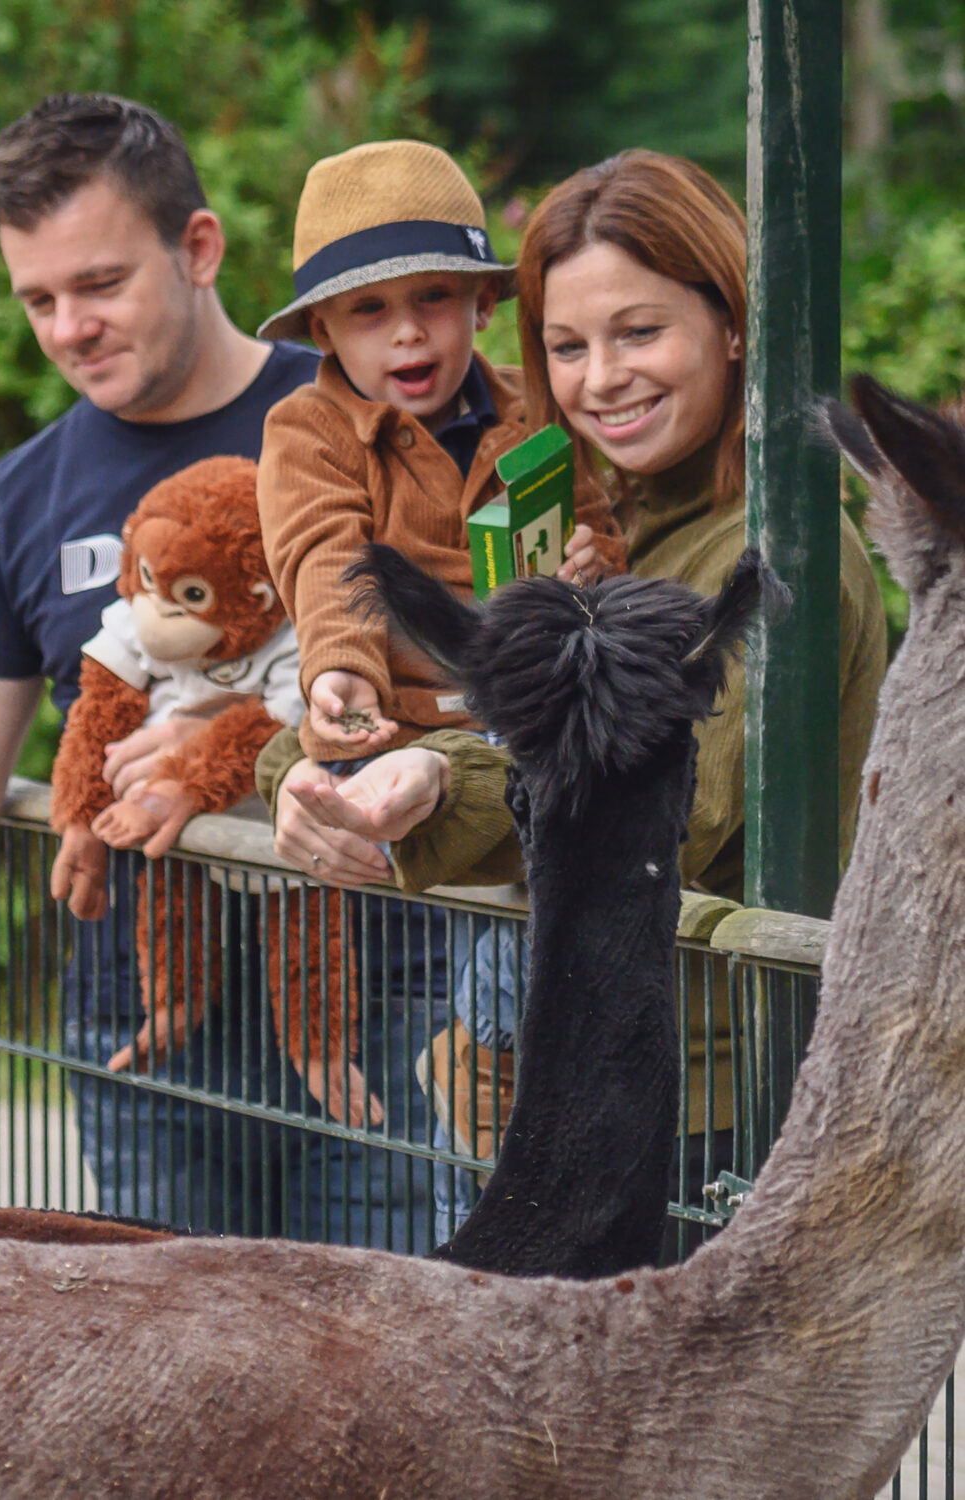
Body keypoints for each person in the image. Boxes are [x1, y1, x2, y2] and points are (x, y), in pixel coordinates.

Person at [259, 149, 888, 1245]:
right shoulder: (599, 531)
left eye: (639, 332)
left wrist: (423, 778)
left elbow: (660, 808)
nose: (600, 378)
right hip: (571, 1077)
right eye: (565, 346)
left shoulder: (772, 555)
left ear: (732, 325)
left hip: (705, 1113)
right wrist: (307, 764)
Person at [0, 92, 326, 1236]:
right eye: (40, 300)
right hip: (138, 996)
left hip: (369, 975)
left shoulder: (346, 416)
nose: (70, 327)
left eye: (101, 284)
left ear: (199, 249)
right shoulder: (14, 501)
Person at [254, 137, 625, 773]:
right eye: (369, 309)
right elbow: (324, 554)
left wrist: (591, 574)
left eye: (432, 296)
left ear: (480, 303)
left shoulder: (532, 408)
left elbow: (598, 527)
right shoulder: (311, 429)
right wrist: (343, 668)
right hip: (399, 731)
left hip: (540, 717)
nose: (408, 331)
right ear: (323, 333)